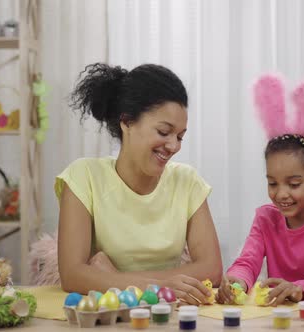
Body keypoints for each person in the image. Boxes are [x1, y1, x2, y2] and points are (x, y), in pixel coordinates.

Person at [57, 63, 222, 304]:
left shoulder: (187, 182)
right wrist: (159, 287)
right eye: (164, 132)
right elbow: (72, 275)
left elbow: (212, 269)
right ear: (126, 121)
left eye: (180, 136)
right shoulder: (83, 177)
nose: (174, 146)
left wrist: (112, 278)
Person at [217, 75, 304, 305]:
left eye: (293, 184)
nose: (281, 194)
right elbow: (247, 262)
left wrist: (300, 289)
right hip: (280, 318)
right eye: (272, 183)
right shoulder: (265, 218)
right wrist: (236, 283)